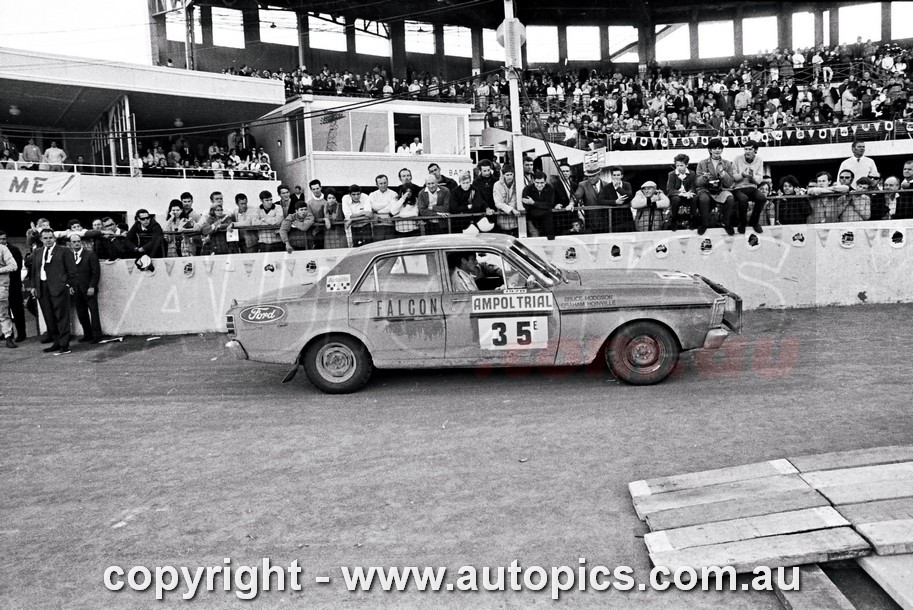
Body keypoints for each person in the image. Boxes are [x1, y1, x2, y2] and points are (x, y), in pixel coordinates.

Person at [30, 228, 77, 355]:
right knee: (49, 317)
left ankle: (64, 344)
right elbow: (34, 271)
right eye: (45, 238)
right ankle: (56, 342)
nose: (48, 240)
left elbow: (71, 270)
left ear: (54, 238)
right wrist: (34, 287)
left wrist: (67, 284)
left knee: (62, 316)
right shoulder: (38, 252)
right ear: (41, 239)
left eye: (50, 237)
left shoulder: (64, 251)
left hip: (59, 287)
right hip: (42, 287)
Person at [695, 138, 736, 235]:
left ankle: (725, 223)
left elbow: (730, 183)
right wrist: (704, 178)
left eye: (719, 148)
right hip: (706, 190)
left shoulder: (727, 163)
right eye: (714, 148)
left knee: (730, 198)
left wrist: (723, 174)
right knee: (703, 198)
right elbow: (697, 182)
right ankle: (704, 224)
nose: (717, 150)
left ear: (722, 150)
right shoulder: (702, 163)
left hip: (720, 190)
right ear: (709, 150)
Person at [67, 234, 103, 343]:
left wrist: (92, 286)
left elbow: (95, 273)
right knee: (81, 313)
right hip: (76, 289)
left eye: (78, 241)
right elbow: (67, 273)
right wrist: (70, 286)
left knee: (93, 312)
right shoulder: (69, 256)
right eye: (74, 242)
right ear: (70, 244)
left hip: (88, 288)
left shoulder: (90, 255)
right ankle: (87, 334)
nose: (77, 243)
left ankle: (97, 335)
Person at [731, 141, 767, 234]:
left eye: (750, 149)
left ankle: (754, 222)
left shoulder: (759, 160)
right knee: (743, 199)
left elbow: (759, 180)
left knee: (762, 198)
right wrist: (743, 174)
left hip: (751, 187)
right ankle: (742, 223)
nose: (747, 151)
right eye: (746, 149)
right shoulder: (737, 159)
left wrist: (752, 176)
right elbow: (733, 177)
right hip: (738, 188)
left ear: (755, 150)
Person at [0, 231, 26, 342]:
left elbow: (17, 267)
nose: (1, 241)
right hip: (3, 284)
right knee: (3, 310)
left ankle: (21, 334)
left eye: (3, 239)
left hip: (13, 284)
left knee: (17, 310)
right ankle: (6, 333)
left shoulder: (13, 249)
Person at [574, 167, 614, 233]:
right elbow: (577, 196)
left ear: (599, 174)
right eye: (589, 176)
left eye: (593, 176)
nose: (591, 178)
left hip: (606, 222)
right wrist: (571, 203)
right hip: (590, 222)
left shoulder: (607, 185)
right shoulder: (583, 185)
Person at [521, 170, 557, 239]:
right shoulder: (527, 189)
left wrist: (533, 203)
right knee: (535, 239)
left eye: (542, 183)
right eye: (537, 182)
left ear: (545, 182)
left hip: (547, 219)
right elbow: (526, 205)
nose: (539, 185)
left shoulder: (550, 188)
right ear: (533, 181)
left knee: (550, 239)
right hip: (532, 218)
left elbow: (550, 204)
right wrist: (542, 206)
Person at [666, 154, 697, 231]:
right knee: (676, 199)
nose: (679, 168)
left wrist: (690, 193)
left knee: (695, 198)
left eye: (681, 165)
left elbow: (693, 186)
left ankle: (692, 219)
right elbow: (670, 189)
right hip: (676, 195)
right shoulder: (671, 174)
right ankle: (674, 219)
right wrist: (681, 193)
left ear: (687, 165)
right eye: (677, 165)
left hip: (687, 195)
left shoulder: (692, 173)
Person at [0, 231, 18, 348]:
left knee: (2, 312)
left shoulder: (3, 249)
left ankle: (8, 337)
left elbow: (13, 266)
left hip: (1, 285)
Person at [605, 166, 635, 233]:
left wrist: (618, 188)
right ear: (612, 176)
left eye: (618, 175)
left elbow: (629, 196)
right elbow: (600, 200)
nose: (616, 177)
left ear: (622, 176)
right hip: (614, 218)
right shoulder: (607, 187)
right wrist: (615, 202)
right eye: (614, 175)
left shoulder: (627, 184)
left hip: (627, 217)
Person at [493, 165, 521, 236]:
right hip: (502, 220)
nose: (509, 177)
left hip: (515, 220)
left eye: (511, 174)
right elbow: (498, 203)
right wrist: (511, 209)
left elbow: (516, 199)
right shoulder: (497, 185)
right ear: (503, 175)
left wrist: (512, 208)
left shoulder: (517, 184)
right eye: (507, 175)